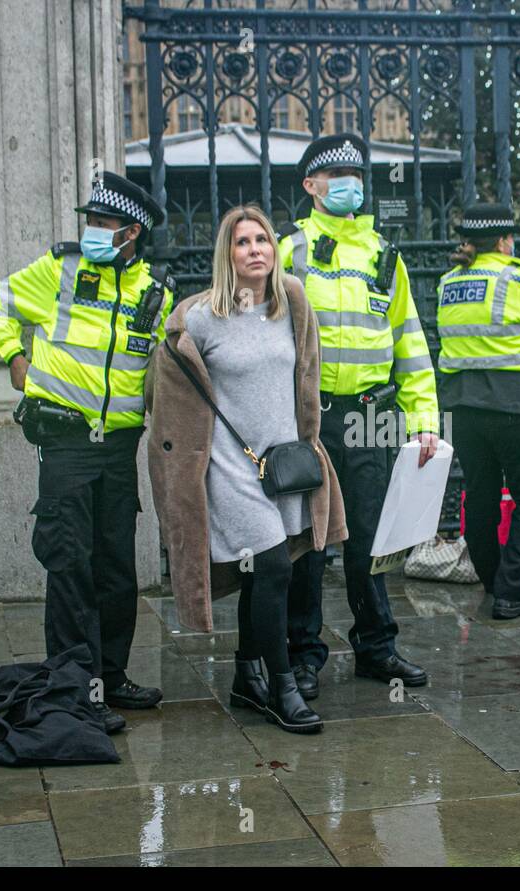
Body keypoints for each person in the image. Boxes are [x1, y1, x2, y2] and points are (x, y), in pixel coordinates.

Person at [144, 204, 347, 733]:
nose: (255, 249)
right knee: (276, 566)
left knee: (265, 574)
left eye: (263, 240)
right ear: (226, 255)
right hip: (230, 469)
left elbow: (307, 380)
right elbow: (165, 400)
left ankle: (245, 679)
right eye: (242, 242)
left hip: (282, 465)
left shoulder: (292, 305)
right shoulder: (199, 319)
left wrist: (310, 443)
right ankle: (283, 689)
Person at [0, 171, 175, 734]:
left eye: (104, 223)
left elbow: (165, 370)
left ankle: (110, 677)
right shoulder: (60, 270)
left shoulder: (155, 294)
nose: (93, 230)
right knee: (70, 566)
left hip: (119, 446)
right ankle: (74, 689)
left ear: (132, 231)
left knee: (116, 569)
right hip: (66, 442)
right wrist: (15, 359)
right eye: (89, 221)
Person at [278, 133, 439, 698]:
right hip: (309, 420)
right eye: (336, 174)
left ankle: (377, 646)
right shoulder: (288, 250)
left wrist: (425, 420)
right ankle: (302, 655)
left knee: (370, 539)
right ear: (310, 185)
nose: (350, 183)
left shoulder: (383, 254)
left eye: (357, 174)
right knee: (308, 541)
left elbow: (410, 341)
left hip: (371, 417)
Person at [437, 202, 520, 619]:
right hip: (512, 401)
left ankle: (495, 580)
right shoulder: (519, 278)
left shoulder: (449, 282)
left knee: (480, 496)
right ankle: (512, 593)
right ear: (503, 240)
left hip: (462, 402)